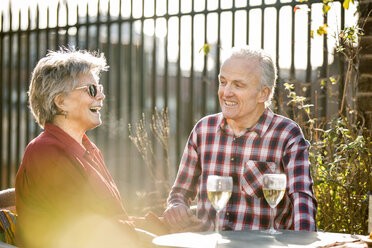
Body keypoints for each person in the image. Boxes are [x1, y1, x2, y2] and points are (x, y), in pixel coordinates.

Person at [15, 48, 167, 248]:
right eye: (92, 89)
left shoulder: (89, 150)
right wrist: (153, 236)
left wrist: (165, 225)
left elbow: (113, 219)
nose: (102, 96)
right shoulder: (45, 152)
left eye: (100, 87)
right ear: (61, 102)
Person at [163, 46, 317, 232]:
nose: (226, 92)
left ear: (264, 94)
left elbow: (302, 198)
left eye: (238, 85)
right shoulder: (203, 131)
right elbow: (179, 193)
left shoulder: (287, 135)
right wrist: (176, 207)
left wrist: (304, 242)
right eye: (223, 82)